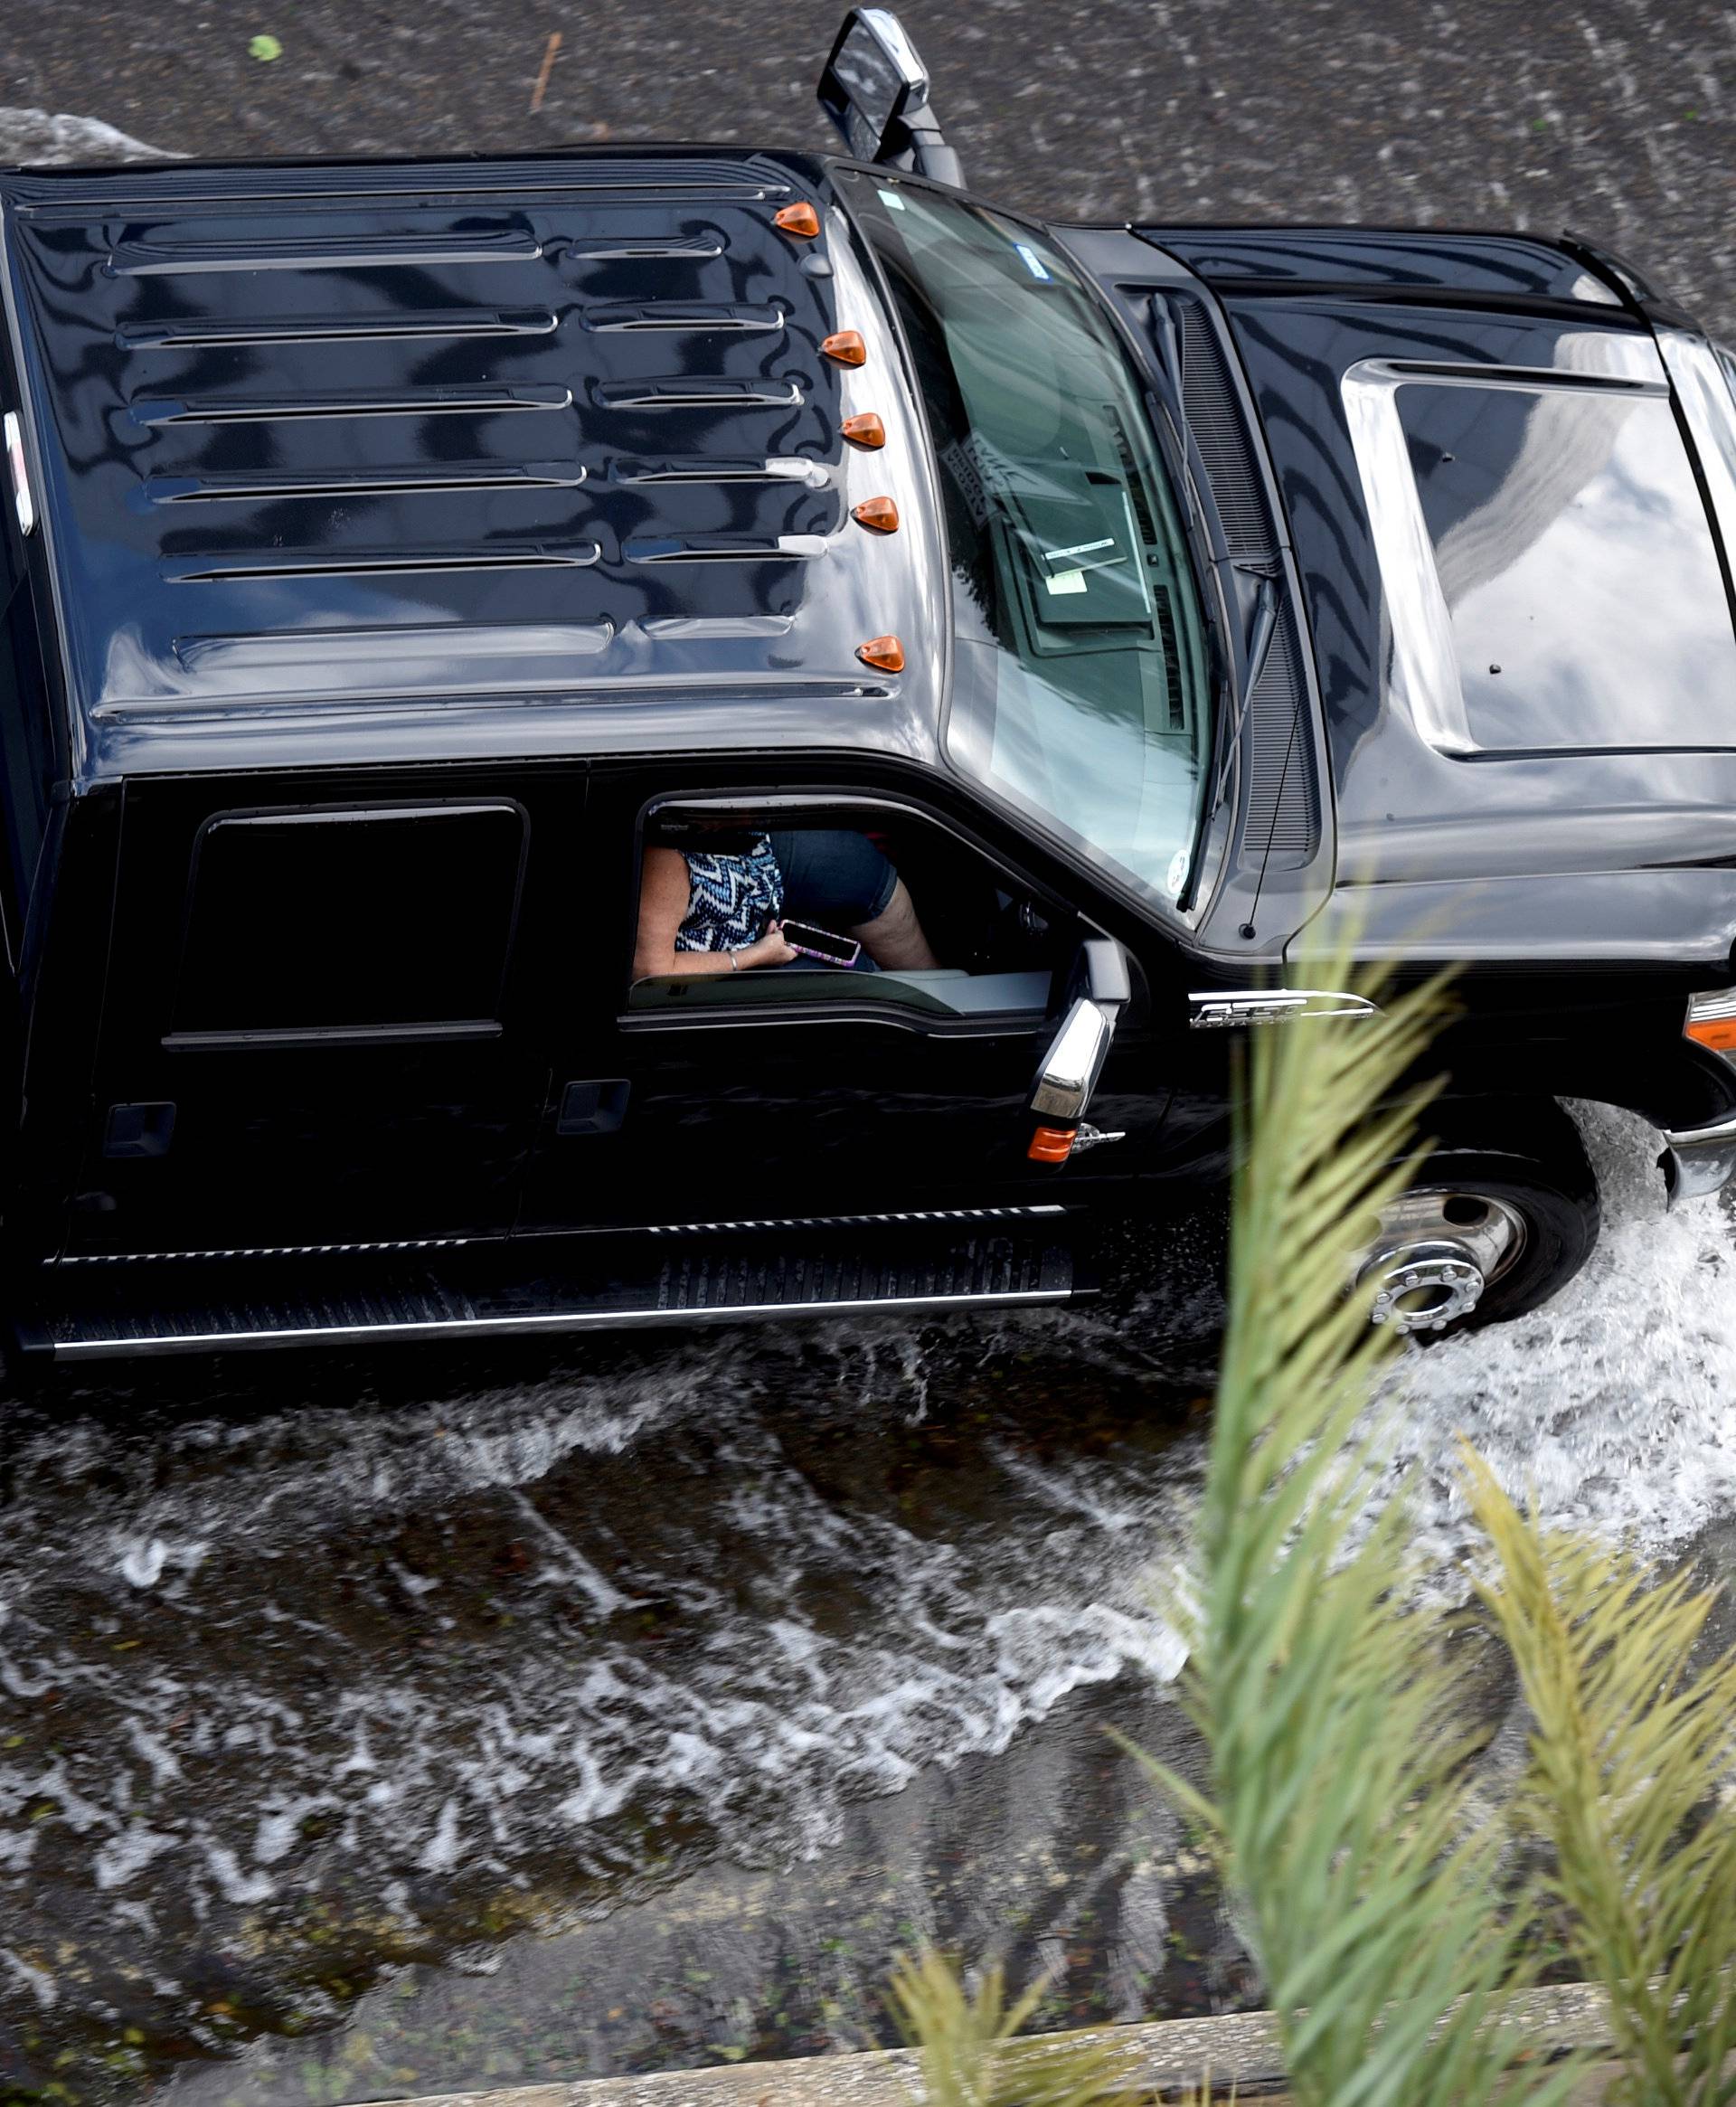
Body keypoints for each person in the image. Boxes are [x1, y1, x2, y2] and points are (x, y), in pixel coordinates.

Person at [633, 824, 940, 981]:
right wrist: (756, 955)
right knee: (858, 978)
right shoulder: (665, 864)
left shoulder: (724, 825)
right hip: (735, 959)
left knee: (859, 871)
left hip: (759, 889)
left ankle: (936, 981)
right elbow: (652, 971)